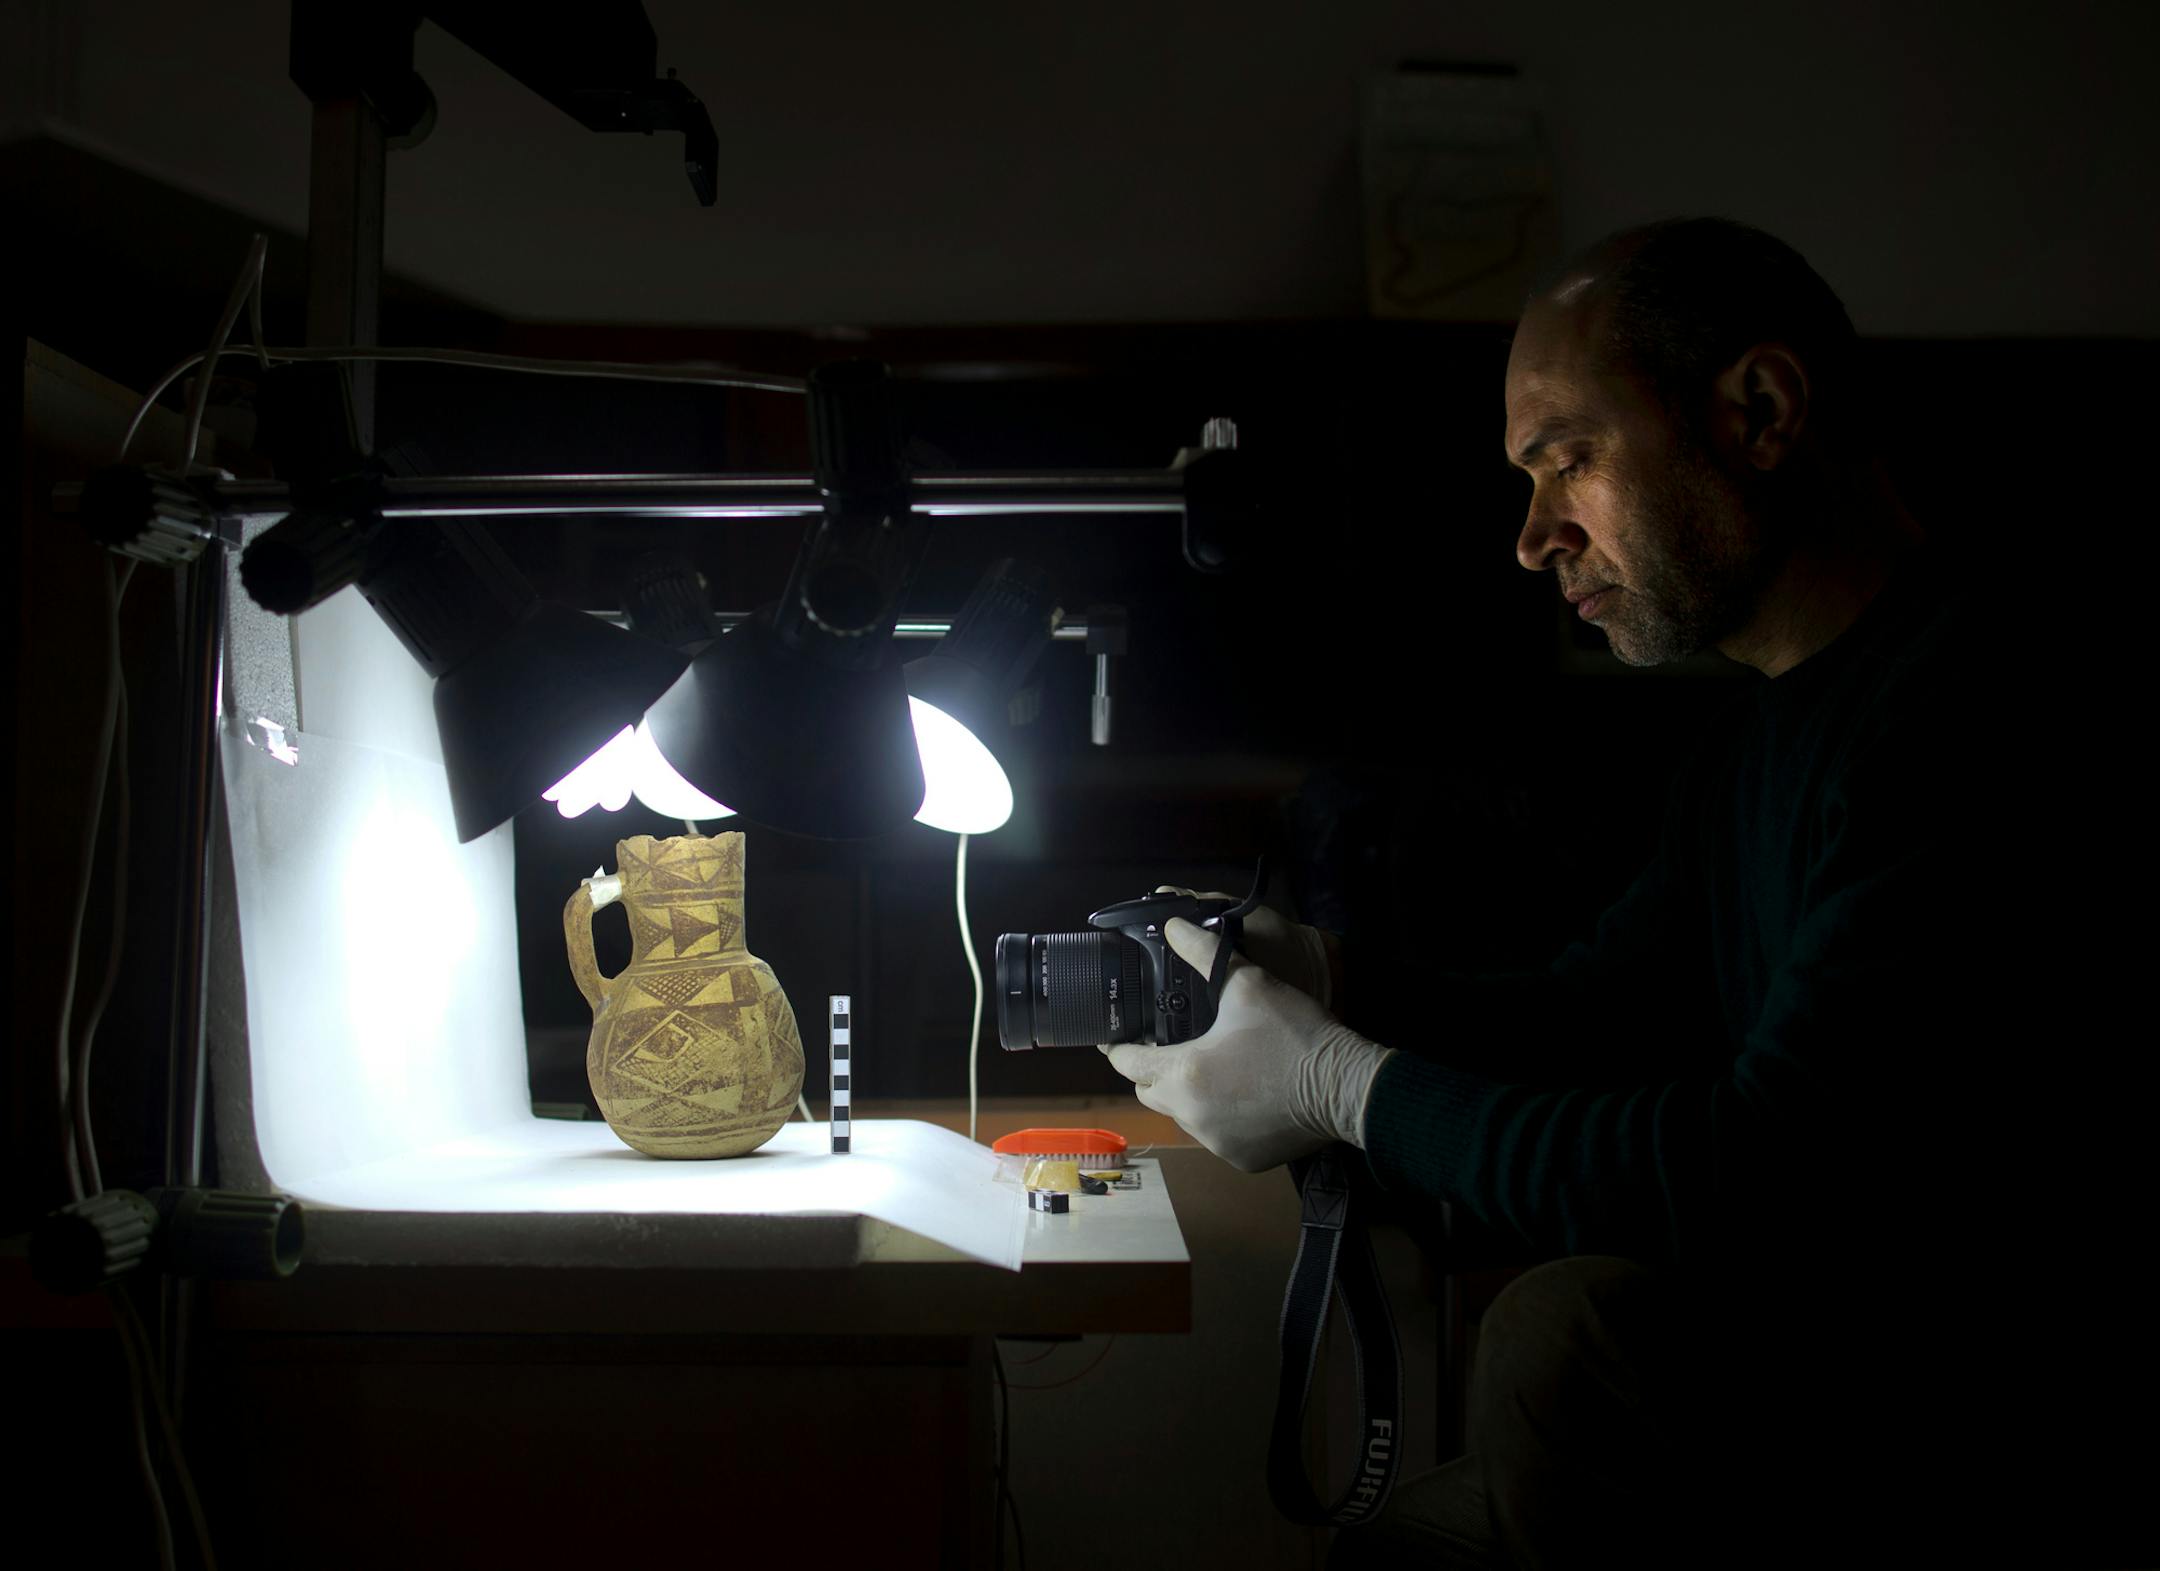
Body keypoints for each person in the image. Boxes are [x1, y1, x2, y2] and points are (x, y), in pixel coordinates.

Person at [1103, 218, 2140, 1567]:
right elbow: (1597, 1015)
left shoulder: (1980, 711)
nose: (1535, 539)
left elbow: (1761, 1173)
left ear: (1760, 412)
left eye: (1569, 460)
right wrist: (1335, 986)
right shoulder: (1753, 745)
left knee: (1566, 1335)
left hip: (1968, 1438)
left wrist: (1343, 1089)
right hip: (1815, 1405)